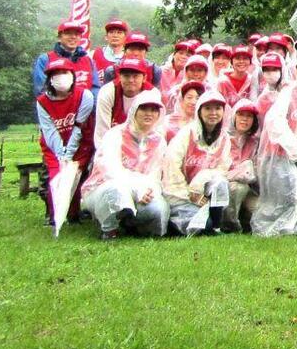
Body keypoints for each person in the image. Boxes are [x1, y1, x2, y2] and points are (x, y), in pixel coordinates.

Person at [252, 52, 297, 236]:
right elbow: (275, 121)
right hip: (279, 153)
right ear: (296, 71)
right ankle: (281, 225)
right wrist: (292, 146)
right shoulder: (289, 92)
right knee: (293, 187)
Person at [79, 88, 169, 240]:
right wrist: (136, 188)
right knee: (116, 192)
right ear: (134, 111)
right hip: (105, 186)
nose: (149, 113)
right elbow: (111, 170)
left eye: (154, 110)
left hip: (141, 191)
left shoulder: (159, 141)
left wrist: (147, 191)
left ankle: (131, 225)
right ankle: (109, 230)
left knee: (158, 210)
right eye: (144, 108)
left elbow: (156, 174)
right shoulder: (115, 134)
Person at [163, 90, 233, 236]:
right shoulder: (186, 134)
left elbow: (222, 168)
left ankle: (216, 225)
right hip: (180, 195)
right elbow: (172, 168)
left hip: (202, 195)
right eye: (208, 108)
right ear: (199, 111)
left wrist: (200, 185)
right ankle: (172, 222)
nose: (213, 113)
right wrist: (189, 194)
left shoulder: (224, 138)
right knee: (201, 226)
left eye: (217, 108)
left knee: (221, 182)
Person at [35, 57, 96, 226]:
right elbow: (49, 131)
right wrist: (61, 154)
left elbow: (79, 126)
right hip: (54, 147)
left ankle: (74, 214)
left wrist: (69, 153)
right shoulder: (42, 102)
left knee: (74, 177)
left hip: (80, 144)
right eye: (56, 74)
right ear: (50, 79)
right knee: (57, 178)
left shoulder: (85, 96)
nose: (61, 77)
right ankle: (54, 215)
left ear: (72, 76)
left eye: (64, 73)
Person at [32, 20, 100, 97]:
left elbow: (95, 89)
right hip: (55, 107)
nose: (73, 37)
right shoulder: (45, 59)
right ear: (59, 37)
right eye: (68, 33)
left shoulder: (89, 61)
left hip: (85, 107)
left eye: (77, 34)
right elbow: (41, 90)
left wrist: (90, 106)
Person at [94, 58, 151, 148]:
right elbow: (102, 133)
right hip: (111, 144)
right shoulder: (107, 92)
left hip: (139, 146)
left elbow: (153, 132)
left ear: (144, 78)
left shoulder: (151, 94)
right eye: (126, 76)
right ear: (120, 77)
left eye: (135, 76)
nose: (131, 80)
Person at [223, 99, 261, 232]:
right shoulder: (223, 139)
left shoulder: (255, 143)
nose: (245, 119)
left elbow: (257, 171)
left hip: (249, 188)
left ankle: (244, 220)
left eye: (249, 116)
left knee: (259, 209)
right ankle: (229, 224)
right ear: (234, 116)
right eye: (241, 115)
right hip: (226, 186)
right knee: (238, 188)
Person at [160, 40, 193, 107]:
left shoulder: (192, 76)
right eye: (181, 53)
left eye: (188, 55)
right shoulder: (161, 71)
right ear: (174, 55)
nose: (183, 57)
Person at [255, 52, 286, 116]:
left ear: (282, 70)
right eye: (266, 70)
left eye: (275, 69)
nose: (270, 73)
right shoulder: (263, 97)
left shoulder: (289, 90)